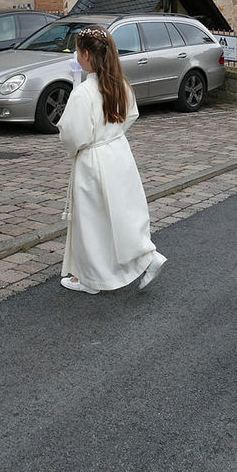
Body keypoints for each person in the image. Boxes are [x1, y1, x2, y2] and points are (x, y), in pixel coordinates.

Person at [57, 25, 167, 294]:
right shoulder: (121, 85)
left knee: (93, 219)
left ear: (85, 55)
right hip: (118, 153)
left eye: (77, 51)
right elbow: (131, 115)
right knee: (122, 212)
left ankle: (93, 278)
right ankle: (144, 255)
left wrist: (81, 146)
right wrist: (112, 136)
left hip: (94, 158)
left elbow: (72, 134)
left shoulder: (83, 93)